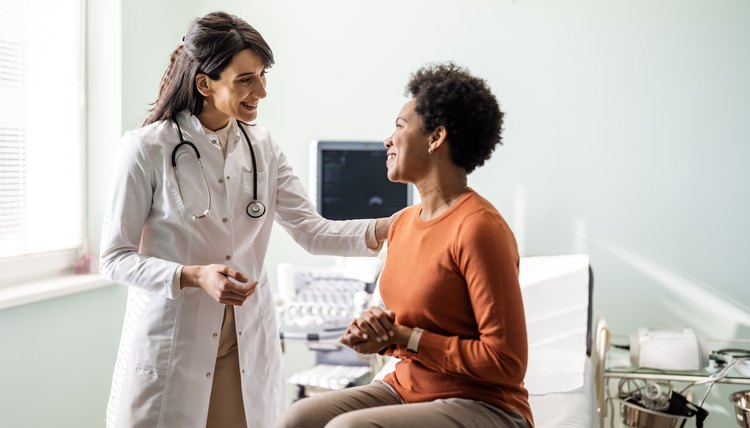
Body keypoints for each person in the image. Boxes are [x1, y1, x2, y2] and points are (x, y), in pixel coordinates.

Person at [99, 11, 394, 428]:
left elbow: (312, 231)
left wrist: (395, 226)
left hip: (243, 346)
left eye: (262, 75)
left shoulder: (262, 147)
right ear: (205, 83)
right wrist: (193, 275)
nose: (261, 91)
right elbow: (114, 257)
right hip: (175, 345)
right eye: (245, 79)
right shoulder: (148, 148)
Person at [276, 62, 533, 428]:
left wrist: (406, 338)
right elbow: (412, 325)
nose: (387, 140)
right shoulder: (403, 223)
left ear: (435, 138)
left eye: (399, 126)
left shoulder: (479, 229)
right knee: (297, 418)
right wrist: (378, 335)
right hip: (409, 387)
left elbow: (506, 362)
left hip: (484, 403)